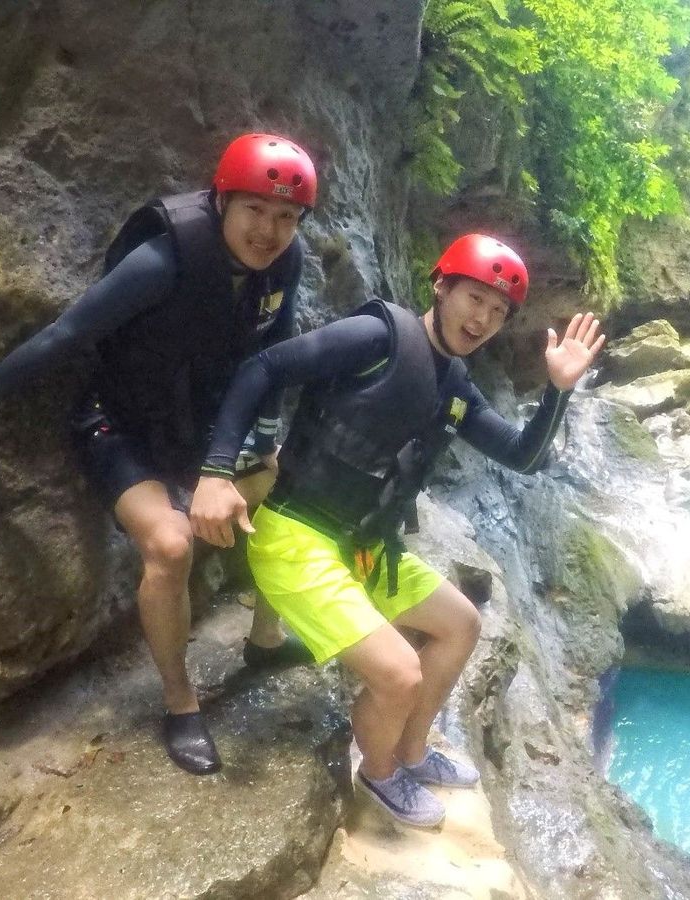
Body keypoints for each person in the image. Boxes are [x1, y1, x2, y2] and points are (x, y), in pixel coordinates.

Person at [189, 233, 604, 827]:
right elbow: (264, 366)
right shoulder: (378, 335)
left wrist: (557, 392)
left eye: (497, 310)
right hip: (296, 536)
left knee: (461, 624)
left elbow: (522, 455)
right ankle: (379, 771)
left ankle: (411, 751)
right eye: (474, 299)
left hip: (362, 547)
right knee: (399, 673)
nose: (483, 318)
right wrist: (216, 470)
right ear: (441, 286)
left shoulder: (454, 385)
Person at [0, 133, 320, 775]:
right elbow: (66, 335)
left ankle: (265, 637)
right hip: (119, 424)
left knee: (283, 483)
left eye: (286, 217)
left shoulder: (286, 262)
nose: (270, 231)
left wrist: (260, 436)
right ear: (222, 201)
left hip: (200, 426)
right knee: (168, 546)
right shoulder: (163, 260)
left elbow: (273, 349)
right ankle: (180, 701)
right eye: (255, 210)